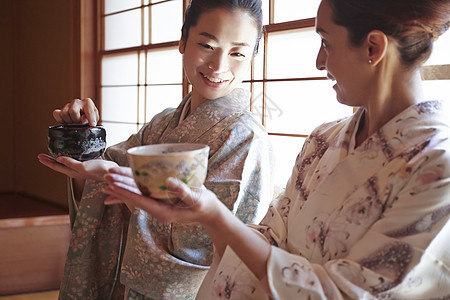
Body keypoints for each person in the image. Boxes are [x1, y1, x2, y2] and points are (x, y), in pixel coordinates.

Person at [103, 0, 450, 298]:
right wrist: (208, 215)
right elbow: (266, 242)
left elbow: (349, 293)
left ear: (373, 48)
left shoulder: (437, 165)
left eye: (326, 43)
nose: (318, 62)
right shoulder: (322, 140)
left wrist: (214, 216)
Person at [38, 0, 274, 298]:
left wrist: (123, 186)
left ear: (253, 56)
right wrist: (82, 138)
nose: (219, 66)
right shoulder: (163, 123)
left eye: (237, 52)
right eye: (207, 45)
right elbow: (103, 173)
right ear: (183, 41)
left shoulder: (246, 138)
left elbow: (217, 243)